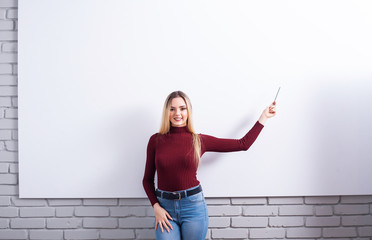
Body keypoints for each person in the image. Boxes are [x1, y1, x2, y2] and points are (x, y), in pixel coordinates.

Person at [142, 90, 276, 240]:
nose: (177, 113)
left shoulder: (198, 140)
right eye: (172, 109)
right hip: (165, 208)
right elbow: (147, 179)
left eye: (182, 108)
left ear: (188, 111)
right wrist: (156, 207)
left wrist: (264, 117)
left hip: (193, 207)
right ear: (166, 111)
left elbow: (243, 144)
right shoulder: (155, 140)